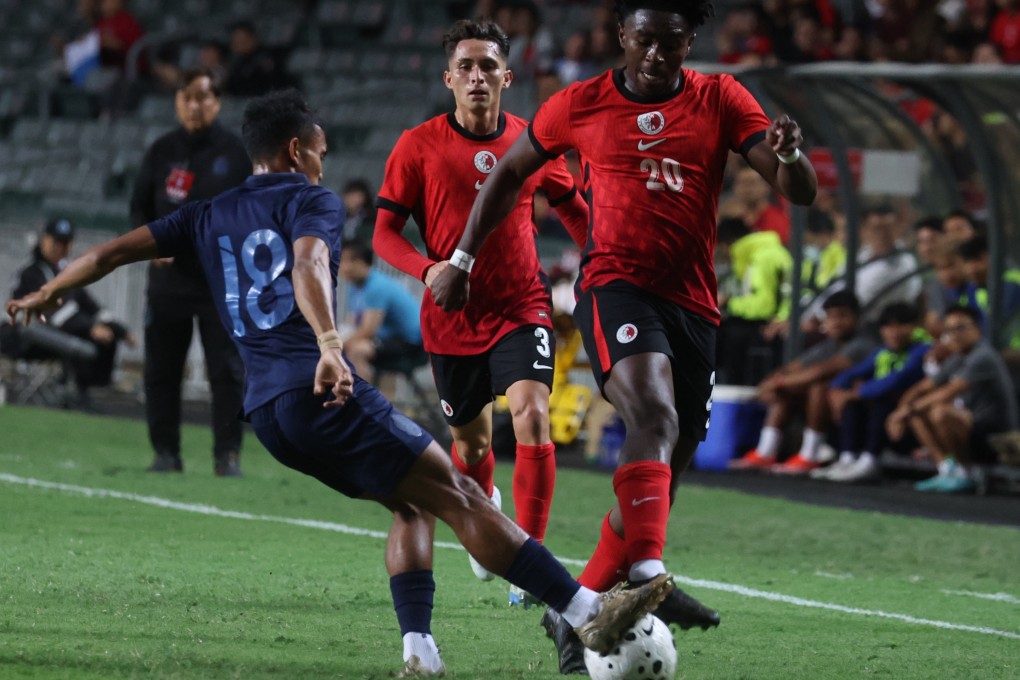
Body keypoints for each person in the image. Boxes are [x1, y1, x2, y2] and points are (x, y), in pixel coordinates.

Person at [6, 89, 674, 678]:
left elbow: (110, 252)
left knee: (409, 505)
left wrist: (51, 289)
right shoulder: (310, 198)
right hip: (323, 389)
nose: (323, 164)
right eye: (320, 152)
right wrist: (329, 345)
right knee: (463, 494)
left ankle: (420, 650)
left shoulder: (206, 214)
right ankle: (588, 610)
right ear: (298, 151)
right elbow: (310, 260)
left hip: (267, 412)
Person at [428, 1, 818, 672]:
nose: (657, 56)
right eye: (645, 41)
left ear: (691, 39)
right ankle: (647, 573)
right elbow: (508, 176)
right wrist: (460, 260)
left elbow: (797, 188)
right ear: (623, 38)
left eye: (672, 43)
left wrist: (794, 156)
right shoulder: (577, 104)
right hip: (616, 286)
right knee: (653, 414)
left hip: (693, 302)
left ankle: (569, 607)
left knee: (664, 472)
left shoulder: (721, 97)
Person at [372, 19, 590, 605]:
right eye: (465, 67)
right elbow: (384, 233)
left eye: (487, 66)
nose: (476, 76)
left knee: (532, 417)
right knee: (469, 447)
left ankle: (531, 558)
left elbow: (573, 208)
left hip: (522, 304)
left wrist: (604, 257)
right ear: (448, 79)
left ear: (507, 76)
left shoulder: (530, 140)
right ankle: (486, 512)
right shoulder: (416, 146)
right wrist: (429, 269)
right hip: (452, 317)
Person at [130, 67, 251, 476]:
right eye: (187, 97)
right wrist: (147, 246)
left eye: (203, 97)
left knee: (228, 372)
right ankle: (166, 453)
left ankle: (227, 455)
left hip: (220, 281)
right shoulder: (161, 149)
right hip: (168, 283)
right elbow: (139, 206)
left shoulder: (236, 154)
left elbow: (252, 212)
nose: (194, 106)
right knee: (161, 371)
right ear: (177, 101)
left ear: (217, 102)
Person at [732, 291, 875, 474]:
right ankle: (765, 452)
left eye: (843, 316)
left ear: (858, 318)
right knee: (787, 392)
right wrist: (772, 382)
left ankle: (811, 455)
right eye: (831, 317)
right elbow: (793, 367)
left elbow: (821, 371)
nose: (836, 322)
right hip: (830, 408)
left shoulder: (863, 343)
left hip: (857, 407)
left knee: (818, 386)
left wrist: (779, 382)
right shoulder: (829, 344)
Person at [0, 218, 133, 406]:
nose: (61, 248)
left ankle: (86, 391)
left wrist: (120, 330)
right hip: (23, 338)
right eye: (57, 242)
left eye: (66, 243)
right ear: (44, 240)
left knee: (103, 337)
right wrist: (90, 327)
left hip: (57, 334)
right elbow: (55, 315)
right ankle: (76, 395)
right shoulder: (31, 273)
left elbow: (90, 305)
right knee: (82, 342)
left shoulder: (67, 273)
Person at [886, 305, 1018, 493]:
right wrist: (901, 410)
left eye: (960, 328)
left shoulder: (983, 356)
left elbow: (947, 392)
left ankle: (967, 473)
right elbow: (922, 387)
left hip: (996, 437)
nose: (954, 335)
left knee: (939, 411)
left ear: (977, 328)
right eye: (948, 330)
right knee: (918, 413)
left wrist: (901, 414)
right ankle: (946, 470)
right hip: (971, 429)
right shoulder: (957, 357)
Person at [822, 303, 929, 483]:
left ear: (915, 327)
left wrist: (856, 393)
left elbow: (896, 381)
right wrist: (836, 390)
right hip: (879, 420)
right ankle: (847, 458)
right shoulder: (881, 352)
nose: (894, 332)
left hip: (907, 420)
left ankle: (869, 460)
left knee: (881, 402)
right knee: (852, 404)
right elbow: (852, 373)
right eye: (888, 326)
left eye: (901, 325)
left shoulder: (923, 351)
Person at [715, 216, 792, 385]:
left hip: (772, 323)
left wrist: (728, 302)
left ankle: (731, 386)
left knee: (723, 333)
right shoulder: (760, 253)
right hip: (773, 319)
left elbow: (764, 307)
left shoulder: (762, 259)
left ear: (729, 244)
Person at [338, 239, 423, 383]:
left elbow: (367, 330)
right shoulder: (355, 286)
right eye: (342, 261)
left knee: (356, 350)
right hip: (388, 339)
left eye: (352, 260)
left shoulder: (376, 286)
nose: (345, 267)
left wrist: (338, 344)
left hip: (410, 344)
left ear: (366, 262)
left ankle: (363, 401)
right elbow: (353, 321)